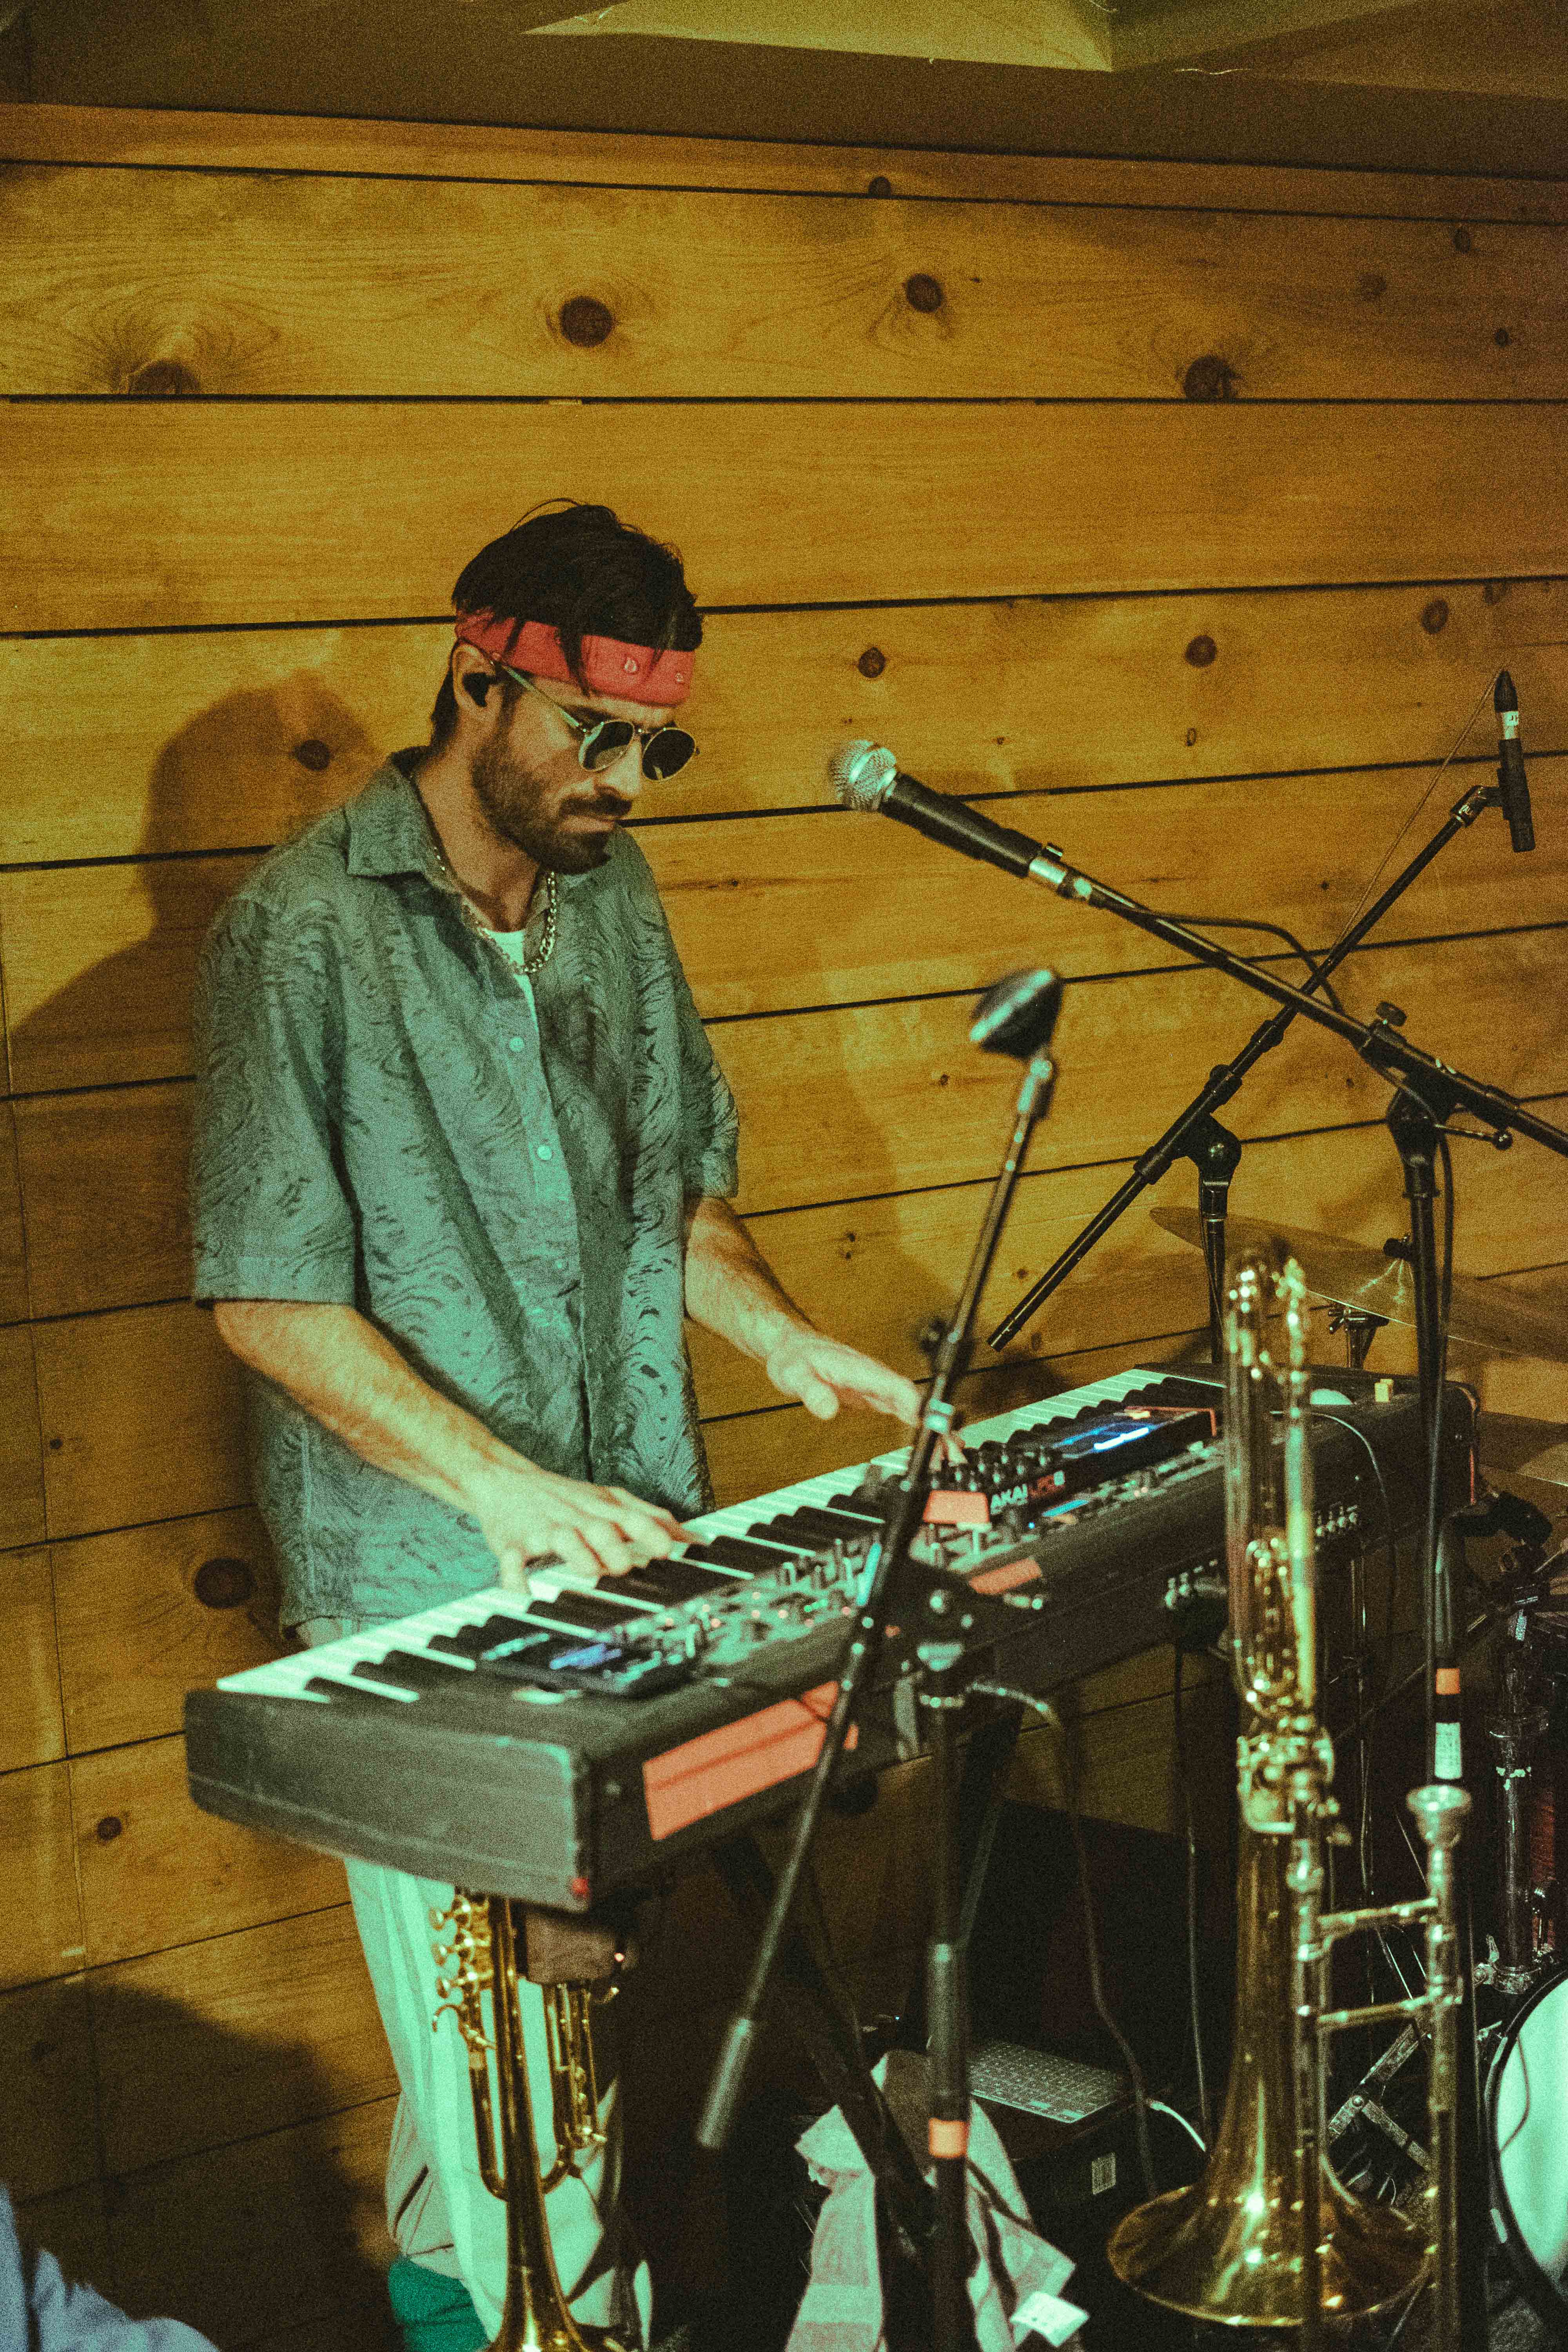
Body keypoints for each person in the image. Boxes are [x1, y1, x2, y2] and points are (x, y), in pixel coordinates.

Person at [190, 501, 923, 2348]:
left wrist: (777, 1334)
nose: (627, 782)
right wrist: (504, 1488)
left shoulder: (615, 899)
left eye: (660, 748)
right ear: (477, 677)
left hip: (627, 1548)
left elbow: (673, 1194)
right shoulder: (300, 933)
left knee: (526, 2090)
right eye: (595, 736)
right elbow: (266, 1294)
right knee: (526, 2129)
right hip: (427, 1593)